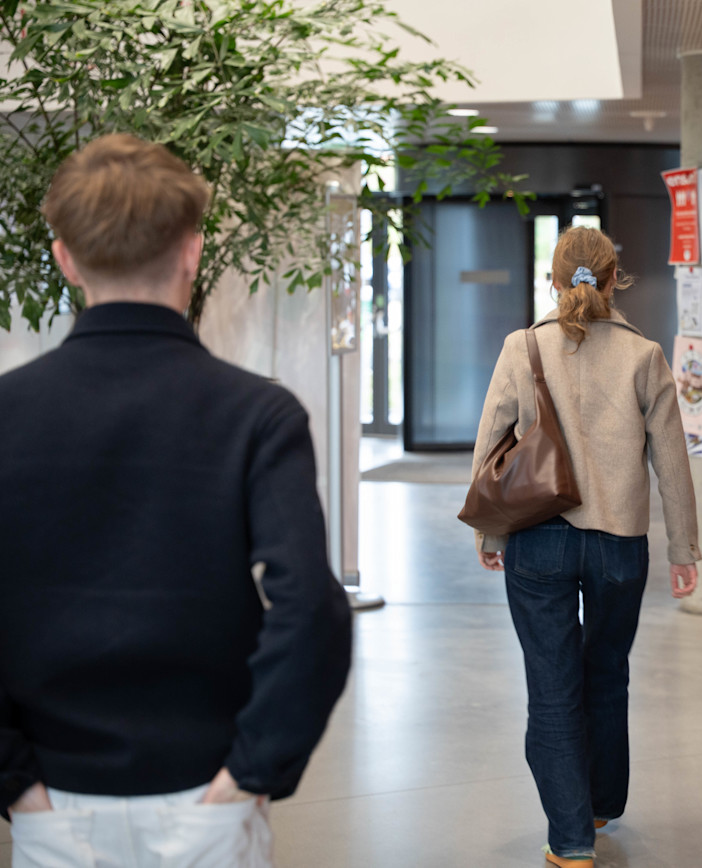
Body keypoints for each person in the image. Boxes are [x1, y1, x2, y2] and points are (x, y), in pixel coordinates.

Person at [0, 134, 353, 867]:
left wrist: (14, 784)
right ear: (193, 251)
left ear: (64, 258)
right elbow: (311, 610)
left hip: (50, 804)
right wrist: (249, 774)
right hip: (207, 801)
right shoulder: (257, 415)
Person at [472, 226, 701, 868]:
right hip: (619, 543)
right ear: (612, 280)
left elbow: (490, 442)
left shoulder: (522, 347)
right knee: (607, 671)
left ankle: (571, 839)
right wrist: (683, 550)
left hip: (538, 536)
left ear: (553, 281)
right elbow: (672, 461)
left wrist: (491, 531)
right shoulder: (644, 355)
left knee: (552, 686)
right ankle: (599, 801)